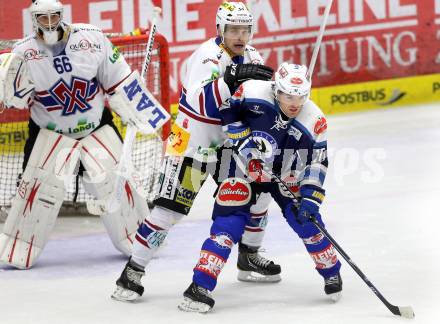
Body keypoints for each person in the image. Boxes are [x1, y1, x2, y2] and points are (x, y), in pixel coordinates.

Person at [111, 1, 281, 302]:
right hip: (192, 146)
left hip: (229, 146)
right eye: (233, 30)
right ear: (220, 29)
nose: (240, 36)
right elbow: (203, 105)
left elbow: (255, 102)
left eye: (246, 29)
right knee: (169, 210)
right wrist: (230, 81)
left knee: (258, 194)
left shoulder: (253, 55)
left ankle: (249, 256)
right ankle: (132, 271)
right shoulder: (206, 57)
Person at [0, 0, 167, 269]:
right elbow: (11, 97)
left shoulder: (91, 38)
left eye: (54, 15)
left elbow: (119, 78)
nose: (50, 22)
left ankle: (139, 239)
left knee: (118, 185)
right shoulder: (22, 54)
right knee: (34, 194)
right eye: (43, 17)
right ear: (34, 19)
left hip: (96, 127)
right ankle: (19, 246)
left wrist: (138, 109)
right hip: (48, 134)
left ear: (62, 14)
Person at [178, 62, 343, 313]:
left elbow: (317, 163)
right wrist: (244, 143)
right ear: (276, 90)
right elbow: (227, 111)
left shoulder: (315, 120)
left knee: (307, 220)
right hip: (241, 166)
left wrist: (310, 199)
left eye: (300, 96)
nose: (294, 103)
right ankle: (199, 286)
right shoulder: (253, 91)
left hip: (287, 169)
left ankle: (331, 272)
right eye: (288, 95)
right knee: (228, 223)